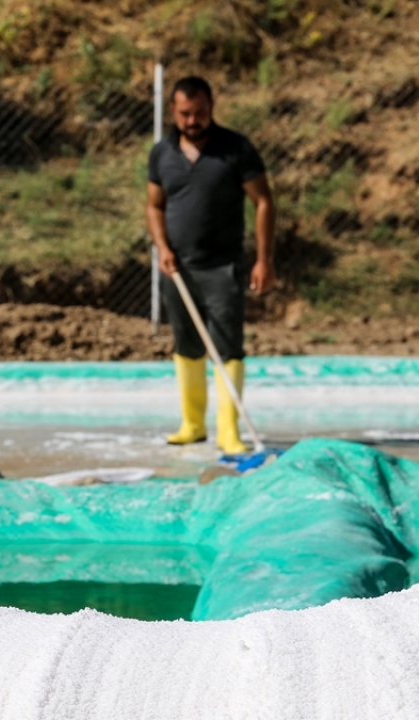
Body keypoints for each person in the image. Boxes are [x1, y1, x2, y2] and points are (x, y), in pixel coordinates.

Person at [146, 76, 276, 455]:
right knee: (186, 344)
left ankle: (229, 430)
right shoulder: (162, 154)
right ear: (173, 111)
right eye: (185, 113)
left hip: (224, 267)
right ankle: (191, 424)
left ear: (212, 108)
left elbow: (264, 202)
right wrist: (162, 247)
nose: (193, 121)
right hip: (177, 268)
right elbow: (154, 205)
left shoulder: (236, 149)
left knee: (228, 347)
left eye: (200, 113)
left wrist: (264, 259)